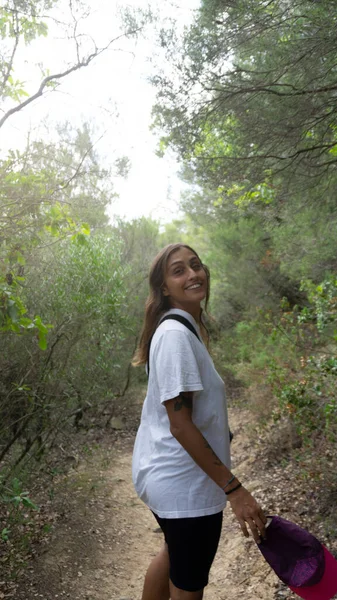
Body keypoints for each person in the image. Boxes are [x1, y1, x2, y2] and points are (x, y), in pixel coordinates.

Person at [132, 243, 267, 600]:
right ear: (164, 287)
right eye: (179, 270)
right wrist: (235, 490)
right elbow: (180, 424)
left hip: (169, 476)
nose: (193, 274)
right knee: (188, 583)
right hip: (183, 485)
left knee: (175, 554)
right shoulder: (176, 335)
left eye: (196, 265)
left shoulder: (179, 327)